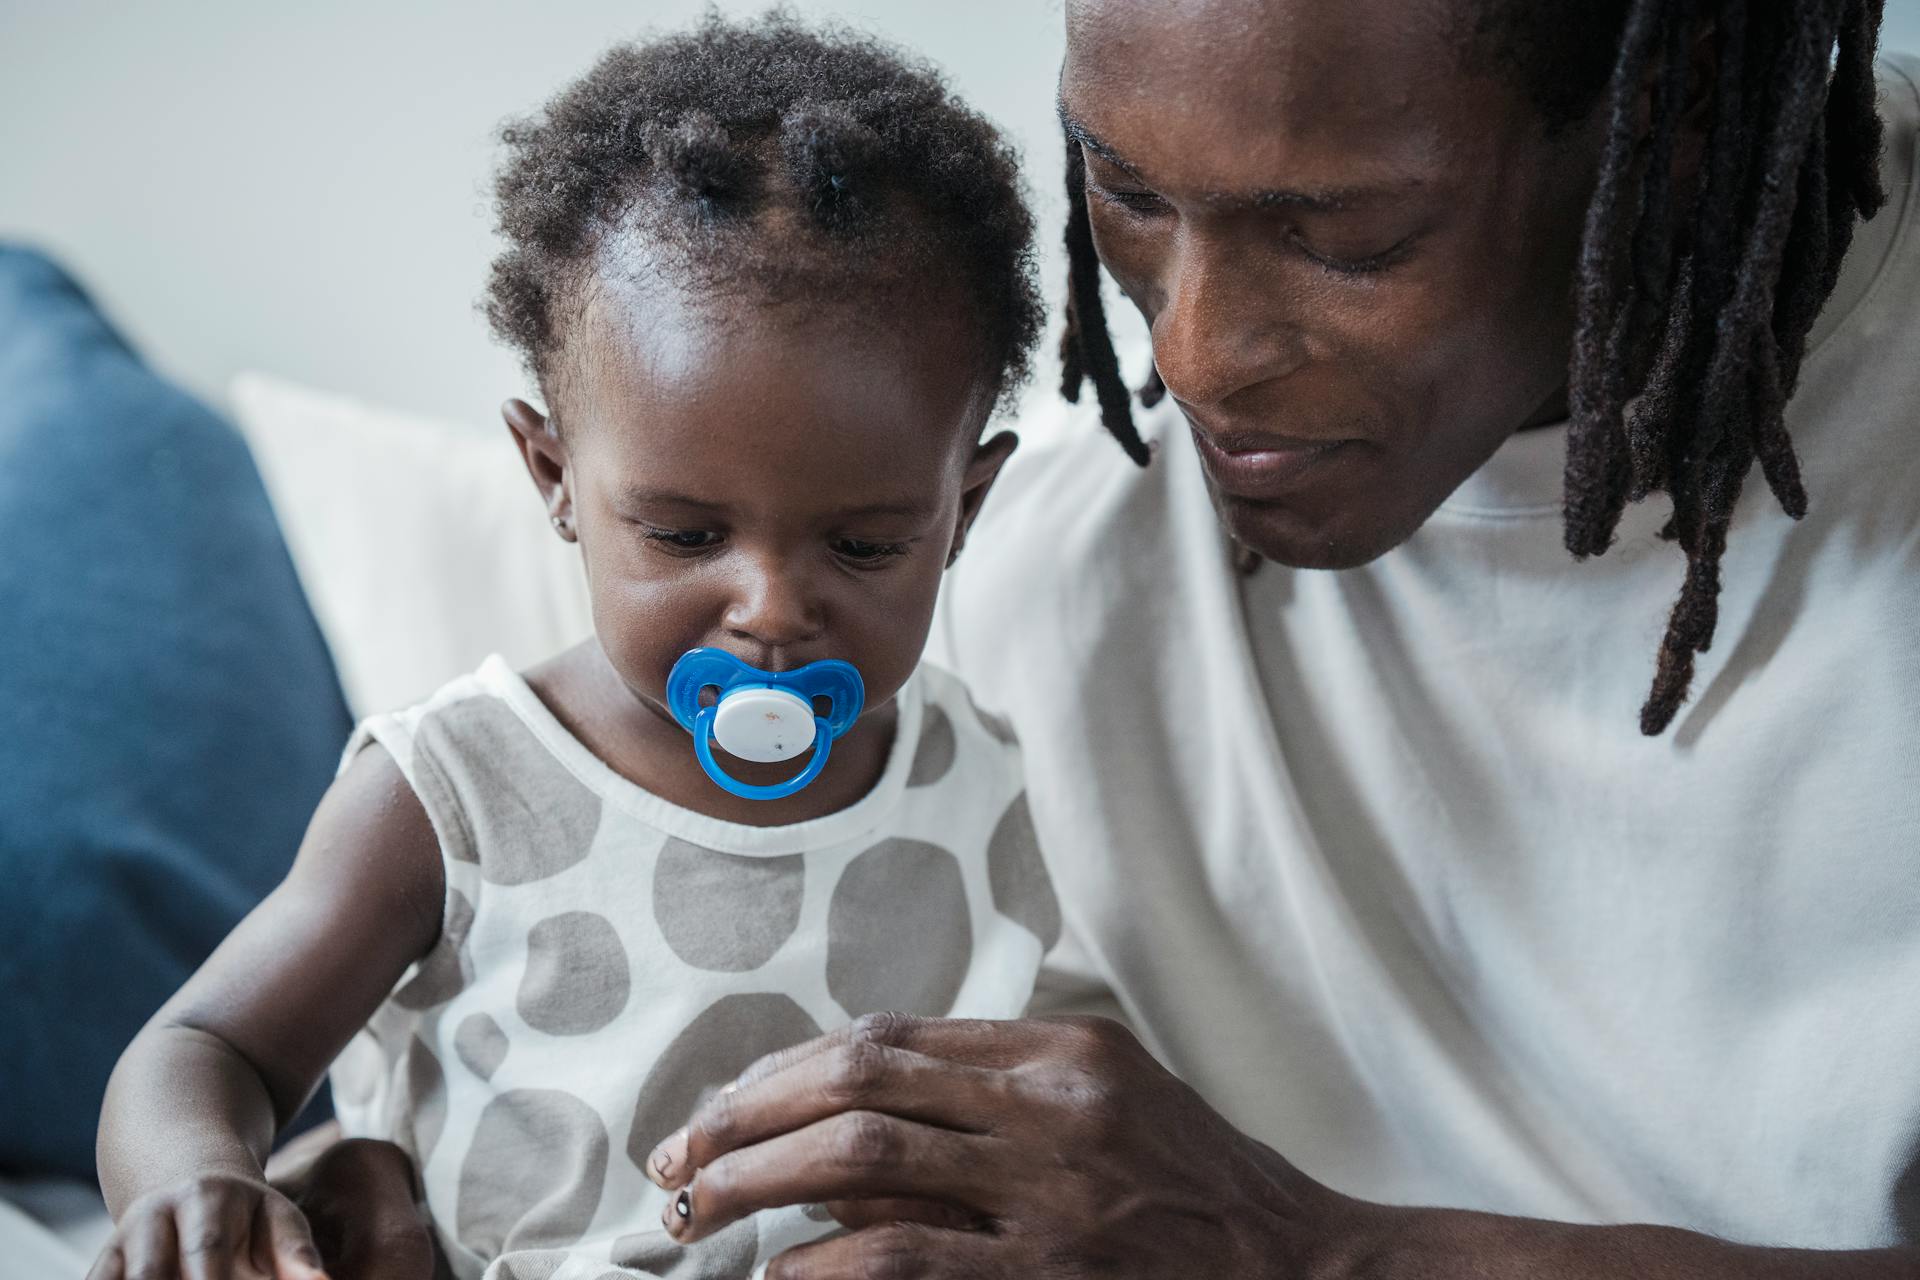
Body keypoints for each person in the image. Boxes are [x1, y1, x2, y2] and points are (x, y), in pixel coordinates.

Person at [632, 0, 1920, 1276]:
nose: (1194, 356)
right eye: (1126, 190)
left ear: (1679, 101)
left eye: (1342, 237)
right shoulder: (1026, 553)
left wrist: (1326, 1258)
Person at [87, 14, 1062, 1280]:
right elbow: (208, 1047)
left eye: (867, 547)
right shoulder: (454, 794)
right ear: (553, 476)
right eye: (684, 531)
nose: (770, 606)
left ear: (965, 510)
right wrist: (193, 1178)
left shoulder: (980, 781)